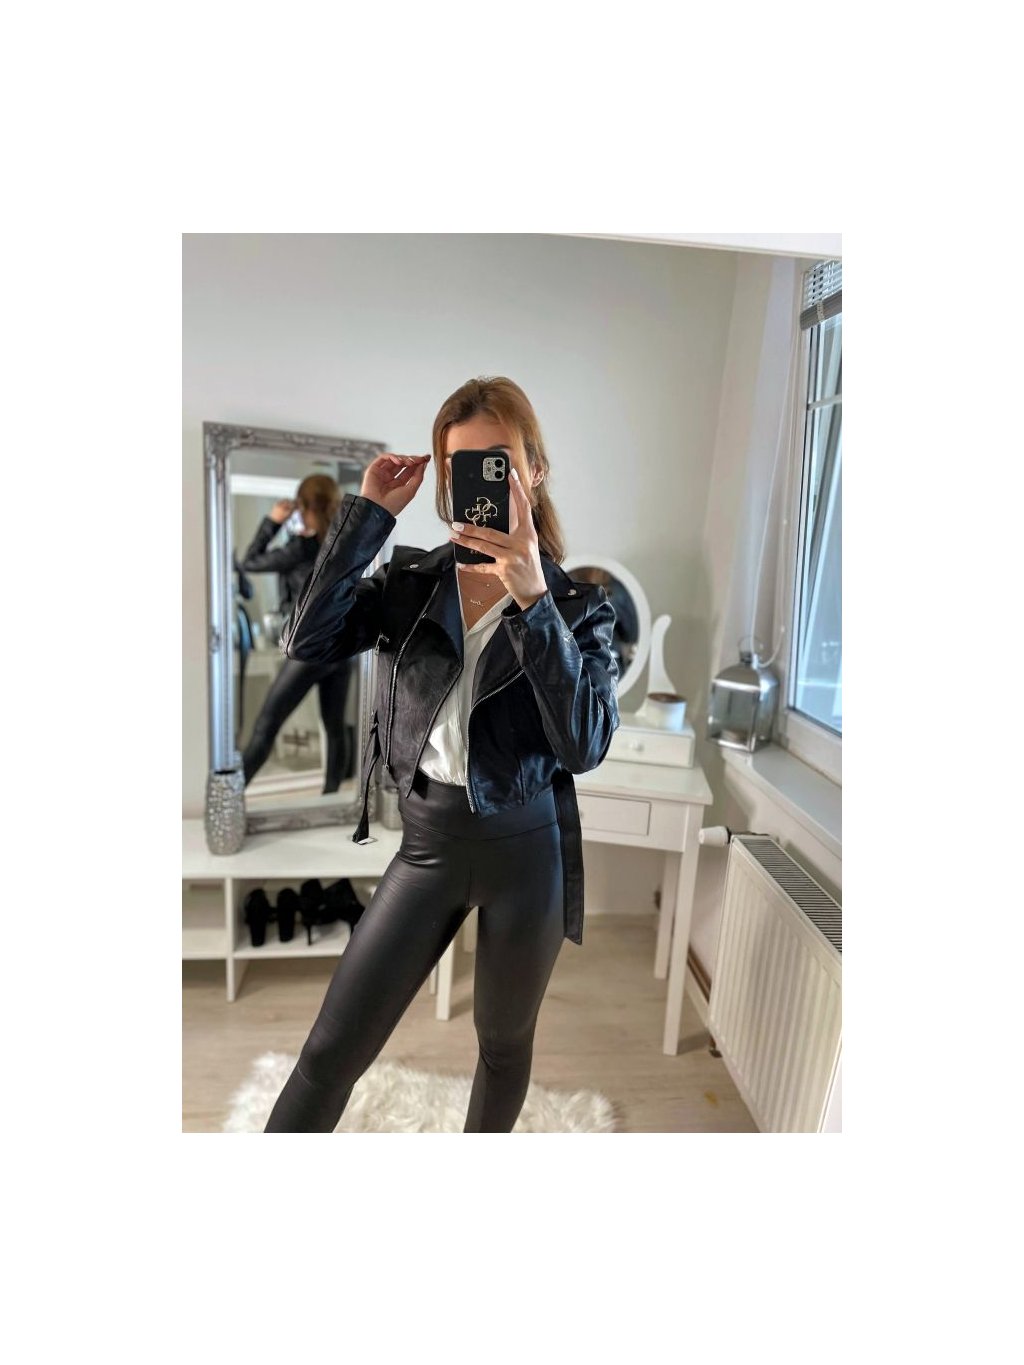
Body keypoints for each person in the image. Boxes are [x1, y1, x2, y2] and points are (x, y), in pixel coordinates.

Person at [263, 376, 620, 1133]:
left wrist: (534, 602)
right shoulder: (410, 584)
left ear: (534, 471)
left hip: (530, 854)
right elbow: (306, 640)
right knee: (328, 1052)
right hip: (427, 845)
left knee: (502, 1046)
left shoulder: (580, 607)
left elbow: (585, 745)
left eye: (499, 463)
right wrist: (368, 517)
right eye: (464, 467)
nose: (480, 483)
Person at [239, 473, 353, 793]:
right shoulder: (343, 544)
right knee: (334, 727)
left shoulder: (301, 548)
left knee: (266, 726)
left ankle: (229, 799)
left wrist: (273, 522)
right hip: (341, 646)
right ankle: (331, 797)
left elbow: (250, 562)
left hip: (308, 651)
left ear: (303, 507)